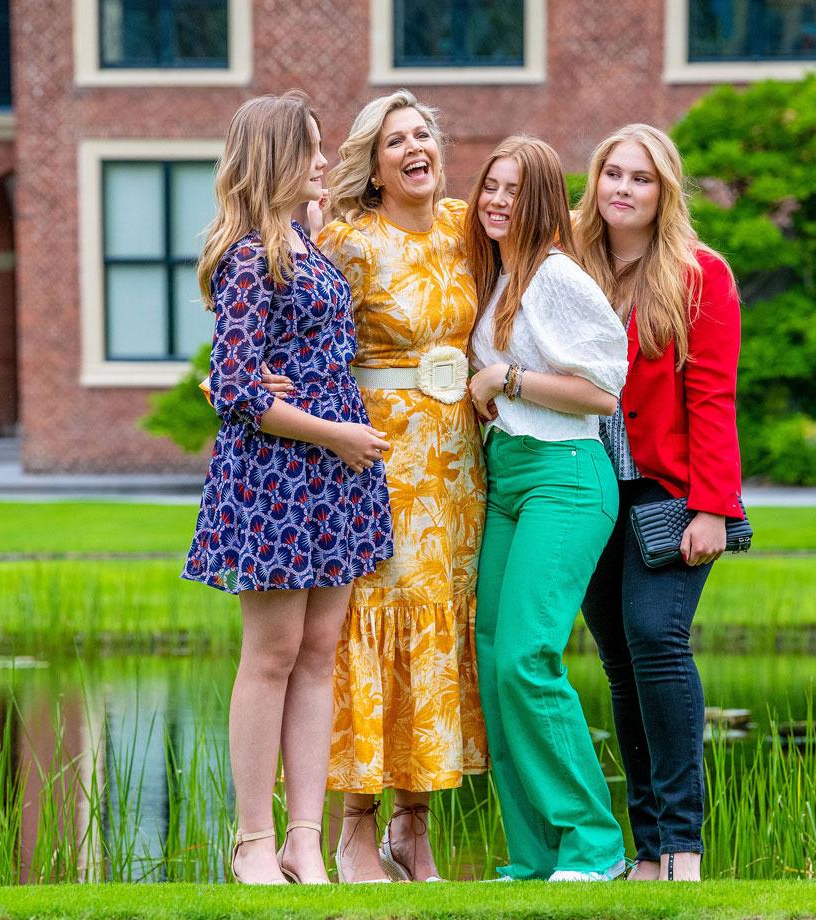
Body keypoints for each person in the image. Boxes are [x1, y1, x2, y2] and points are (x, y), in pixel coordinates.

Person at [181, 90, 394, 885]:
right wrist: (337, 433)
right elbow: (235, 387)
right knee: (271, 655)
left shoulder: (313, 248)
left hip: (333, 484)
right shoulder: (248, 255)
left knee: (318, 654)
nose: (322, 158)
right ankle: (251, 843)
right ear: (275, 157)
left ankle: (306, 839)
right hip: (275, 481)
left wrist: (342, 441)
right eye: (309, 147)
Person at [309, 90, 488, 883]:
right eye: (395, 141)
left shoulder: (464, 227)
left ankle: (415, 828)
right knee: (372, 629)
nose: (415, 147)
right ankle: (356, 828)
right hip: (380, 462)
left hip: (462, 463)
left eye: (423, 135)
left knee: (441, 626)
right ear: (373, 167)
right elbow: (303, 328)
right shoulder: (350, 241)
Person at [573, 124, 743, 882]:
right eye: (612, 173)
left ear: (664, 191)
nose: (622, 188)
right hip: (585, 492)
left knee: (656, 637)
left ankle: (683, 849)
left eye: (640, 178)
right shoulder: (571, 267)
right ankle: (646, 854)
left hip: (671, 492)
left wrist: (712, 507)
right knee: (619, 662)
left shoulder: (701, 274)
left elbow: (711, 396)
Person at [464, 135, 630, 882]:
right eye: (488, 187)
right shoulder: (500, 276)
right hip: (509, 476)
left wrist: (508, 379)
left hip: (565, 476)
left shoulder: (558, 277)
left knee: (529, 656)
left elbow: (602, 391)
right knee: (495, 658)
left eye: (512, 190)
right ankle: (534, 854)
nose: (496, 201)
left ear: (541, 201)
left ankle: (595, 846)